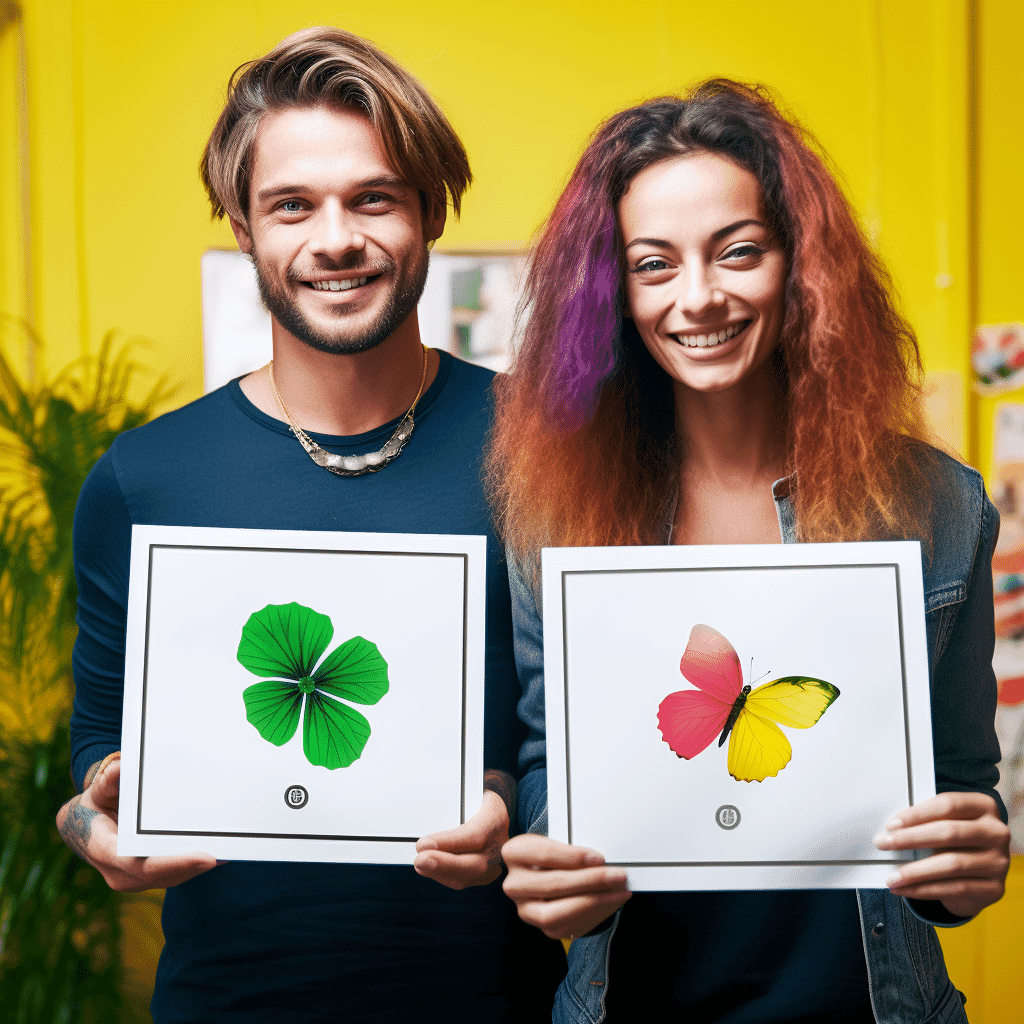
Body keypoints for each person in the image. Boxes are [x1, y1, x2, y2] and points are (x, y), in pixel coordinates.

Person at [55, 27, 562, 1023]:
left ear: (429, 213)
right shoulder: (143, 478)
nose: (335, 238)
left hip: (493, 1000)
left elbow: (580, 737)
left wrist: (508, 813)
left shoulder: (549, 454)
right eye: (292, 205)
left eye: (373, 197)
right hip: (229, 1002)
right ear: (244, 226)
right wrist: (95, 820)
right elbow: (93, 742)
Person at [487, 80, 1010, 1023]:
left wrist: (966, 866)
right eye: (654, 265)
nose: (700, 297)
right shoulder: (554, 514)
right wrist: (547, 852)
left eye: (738, 252)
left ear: (802, 263)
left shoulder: (940, 506)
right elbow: (543, 763)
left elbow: (962, 796)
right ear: (610, 293)